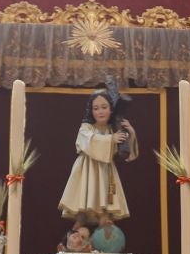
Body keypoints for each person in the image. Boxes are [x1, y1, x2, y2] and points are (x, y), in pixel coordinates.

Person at [58, 85, 138, 220]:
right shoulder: (86, 127)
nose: (100, 111)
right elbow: (89, 141)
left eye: (104, 107)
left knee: (105, 210)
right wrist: (111, 139)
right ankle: (76, 232)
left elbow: (125, 152)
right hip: (87, 170)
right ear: (91, 111)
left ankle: (103, 229)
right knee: (83, 207)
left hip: (106, 171)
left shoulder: (113, 128)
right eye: (96, 108)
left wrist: (130, 132)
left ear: (111, 110)